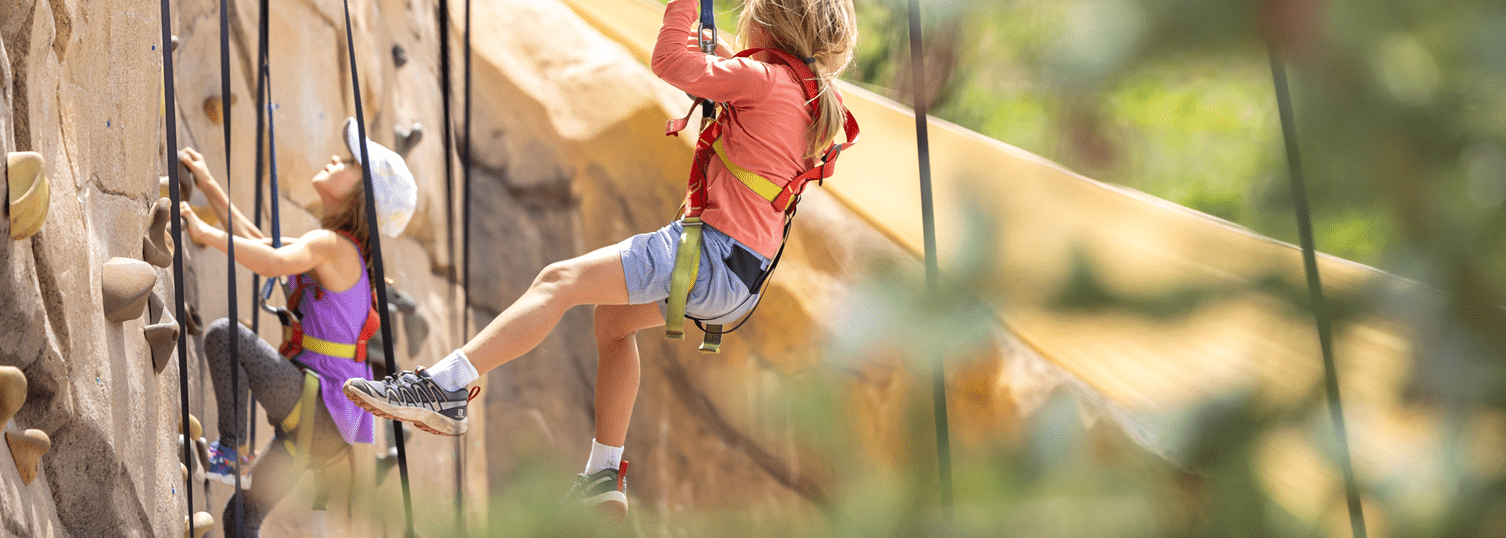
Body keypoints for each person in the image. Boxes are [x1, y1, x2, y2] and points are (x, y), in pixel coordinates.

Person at [341, 0, 858, 519]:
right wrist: (716, 48)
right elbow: (734, 84)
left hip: (705, 255)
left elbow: (669, 65)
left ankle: (445, 385)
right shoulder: (808, 96)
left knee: (557, 281)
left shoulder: (762, 80)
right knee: (612, 322)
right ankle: (602, 474)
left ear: (766, 23)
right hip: (739, 284)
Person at [179, 118, 418, 536]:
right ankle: (232, 457)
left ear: (362, 195)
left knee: (225, 335)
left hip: (319, 405)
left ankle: (231, 448)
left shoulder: (332, 246)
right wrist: (209, 185)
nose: (333, 159)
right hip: (325, 422)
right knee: (242, 517)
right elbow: (261, 243)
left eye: (347, 162)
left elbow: (269, 263)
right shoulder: (336, 248)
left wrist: (203, 232)